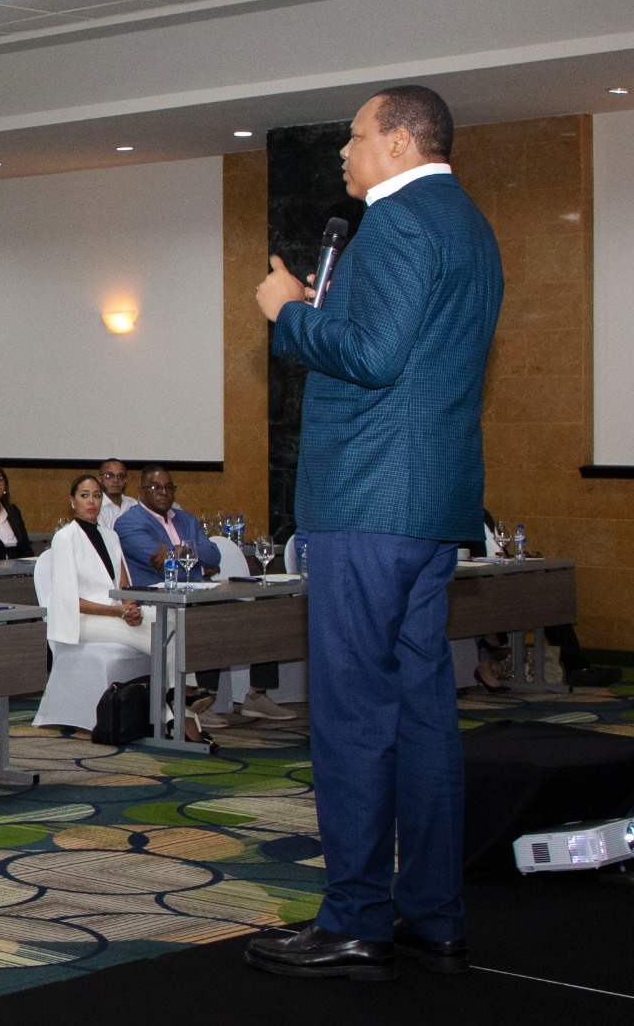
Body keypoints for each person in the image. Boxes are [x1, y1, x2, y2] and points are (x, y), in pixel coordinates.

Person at [246, 85, 502, 980]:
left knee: (354, 713)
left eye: (354, 137)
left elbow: (372, 357)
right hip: (430, 505)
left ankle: (354, 917)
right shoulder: (469, 224)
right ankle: (433, 913)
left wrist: (289, 310)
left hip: (366, 501)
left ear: (397, 142)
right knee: (424, 715)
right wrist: (329, 314)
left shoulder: (395, 223)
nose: (343, 153)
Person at [115, 465, 293, 728]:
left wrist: (180, 552)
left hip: (200, 593)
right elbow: (158, 561)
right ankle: (200, 700)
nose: (164, 492)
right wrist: (196, 562)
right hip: (160, 598)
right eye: (156, 487)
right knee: (207, 618)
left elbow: (213, 555)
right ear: (141, 492)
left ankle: (257, 695)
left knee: (261, 613)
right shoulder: (128, 523)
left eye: (169, 487)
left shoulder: (187, 519)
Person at [45, 474, 151, 656]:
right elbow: (69, 600)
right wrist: (118, 611)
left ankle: (176, 675)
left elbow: (124, 586)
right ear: (72, 501)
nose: (91, 502)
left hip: (115, 611)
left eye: (97, 496)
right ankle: (173, 676)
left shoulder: (111, 536)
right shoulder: (64, 538)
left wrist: (131, 609)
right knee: (152, 638)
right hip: (80, 619)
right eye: (84, 495)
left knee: (165, 620)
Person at [96, 459, 139, 530]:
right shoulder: (96, 506)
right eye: (109, 476)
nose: (115, 480)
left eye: (120, 476)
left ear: (125, 480)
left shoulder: (133, 504)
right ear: (100, 479)